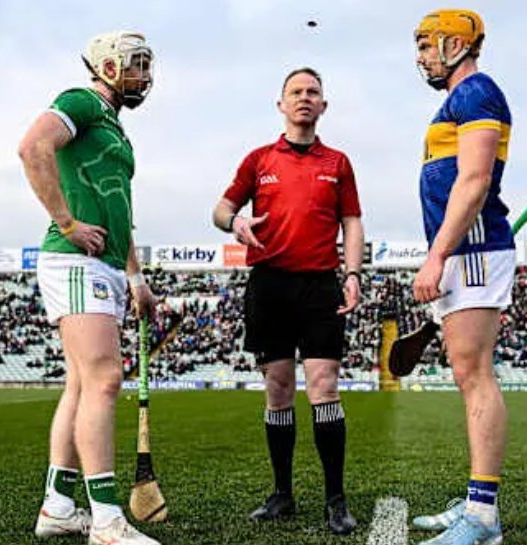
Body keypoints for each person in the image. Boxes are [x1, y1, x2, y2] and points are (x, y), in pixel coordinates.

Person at [18, 30, 160, 545]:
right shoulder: (81, 101)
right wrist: (68, 223)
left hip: (106, 268)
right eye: (136, 64)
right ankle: (106, 520)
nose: (146, 75)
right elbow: (32, 147)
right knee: (104, 380)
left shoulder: (115, 128)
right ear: (108, 66)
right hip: (77, 261)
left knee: (81, 384)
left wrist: (136, 278)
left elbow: (119, 208)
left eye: (147, 65)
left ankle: (57, 508)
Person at [211, 67, 365, 536]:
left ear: (323, 105)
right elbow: (221, 209)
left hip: (320, 285)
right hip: (269, 285)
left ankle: (336, 500)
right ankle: (282, 494)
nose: (304, 98)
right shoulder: (259, 160)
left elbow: (352, 222)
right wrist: (235, 222)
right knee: (278, 389)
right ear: (281, 104)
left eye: (312, 92)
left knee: (324, 386)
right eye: (295, 92)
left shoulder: (338, 162)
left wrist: (352, 273)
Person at [407, 10, 513, 545]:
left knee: (475, 374)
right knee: (465, 373)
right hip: (461, 253)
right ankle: (475, 502)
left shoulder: (476, 92)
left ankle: (483, 517)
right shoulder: (458, 100)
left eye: (427, 45)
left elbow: (474, 181)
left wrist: (438, 256)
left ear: (454, 44)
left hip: (473, 250)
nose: (421, 56)